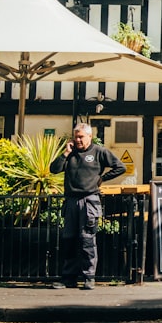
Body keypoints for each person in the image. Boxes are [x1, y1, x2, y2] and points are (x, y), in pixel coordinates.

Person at [49, 123, 125, 289]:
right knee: (69, 239)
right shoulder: (70, 153)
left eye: (81, 136)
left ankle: (89, 277)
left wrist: (102, 178)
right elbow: (54, 169)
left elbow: (120, 167)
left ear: (90, 136)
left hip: (89, 200)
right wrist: (66, 153)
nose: (78, 140)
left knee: (87, 239)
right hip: (71, 200)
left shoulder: (99, 152)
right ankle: (68, 278)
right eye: (76, 136)